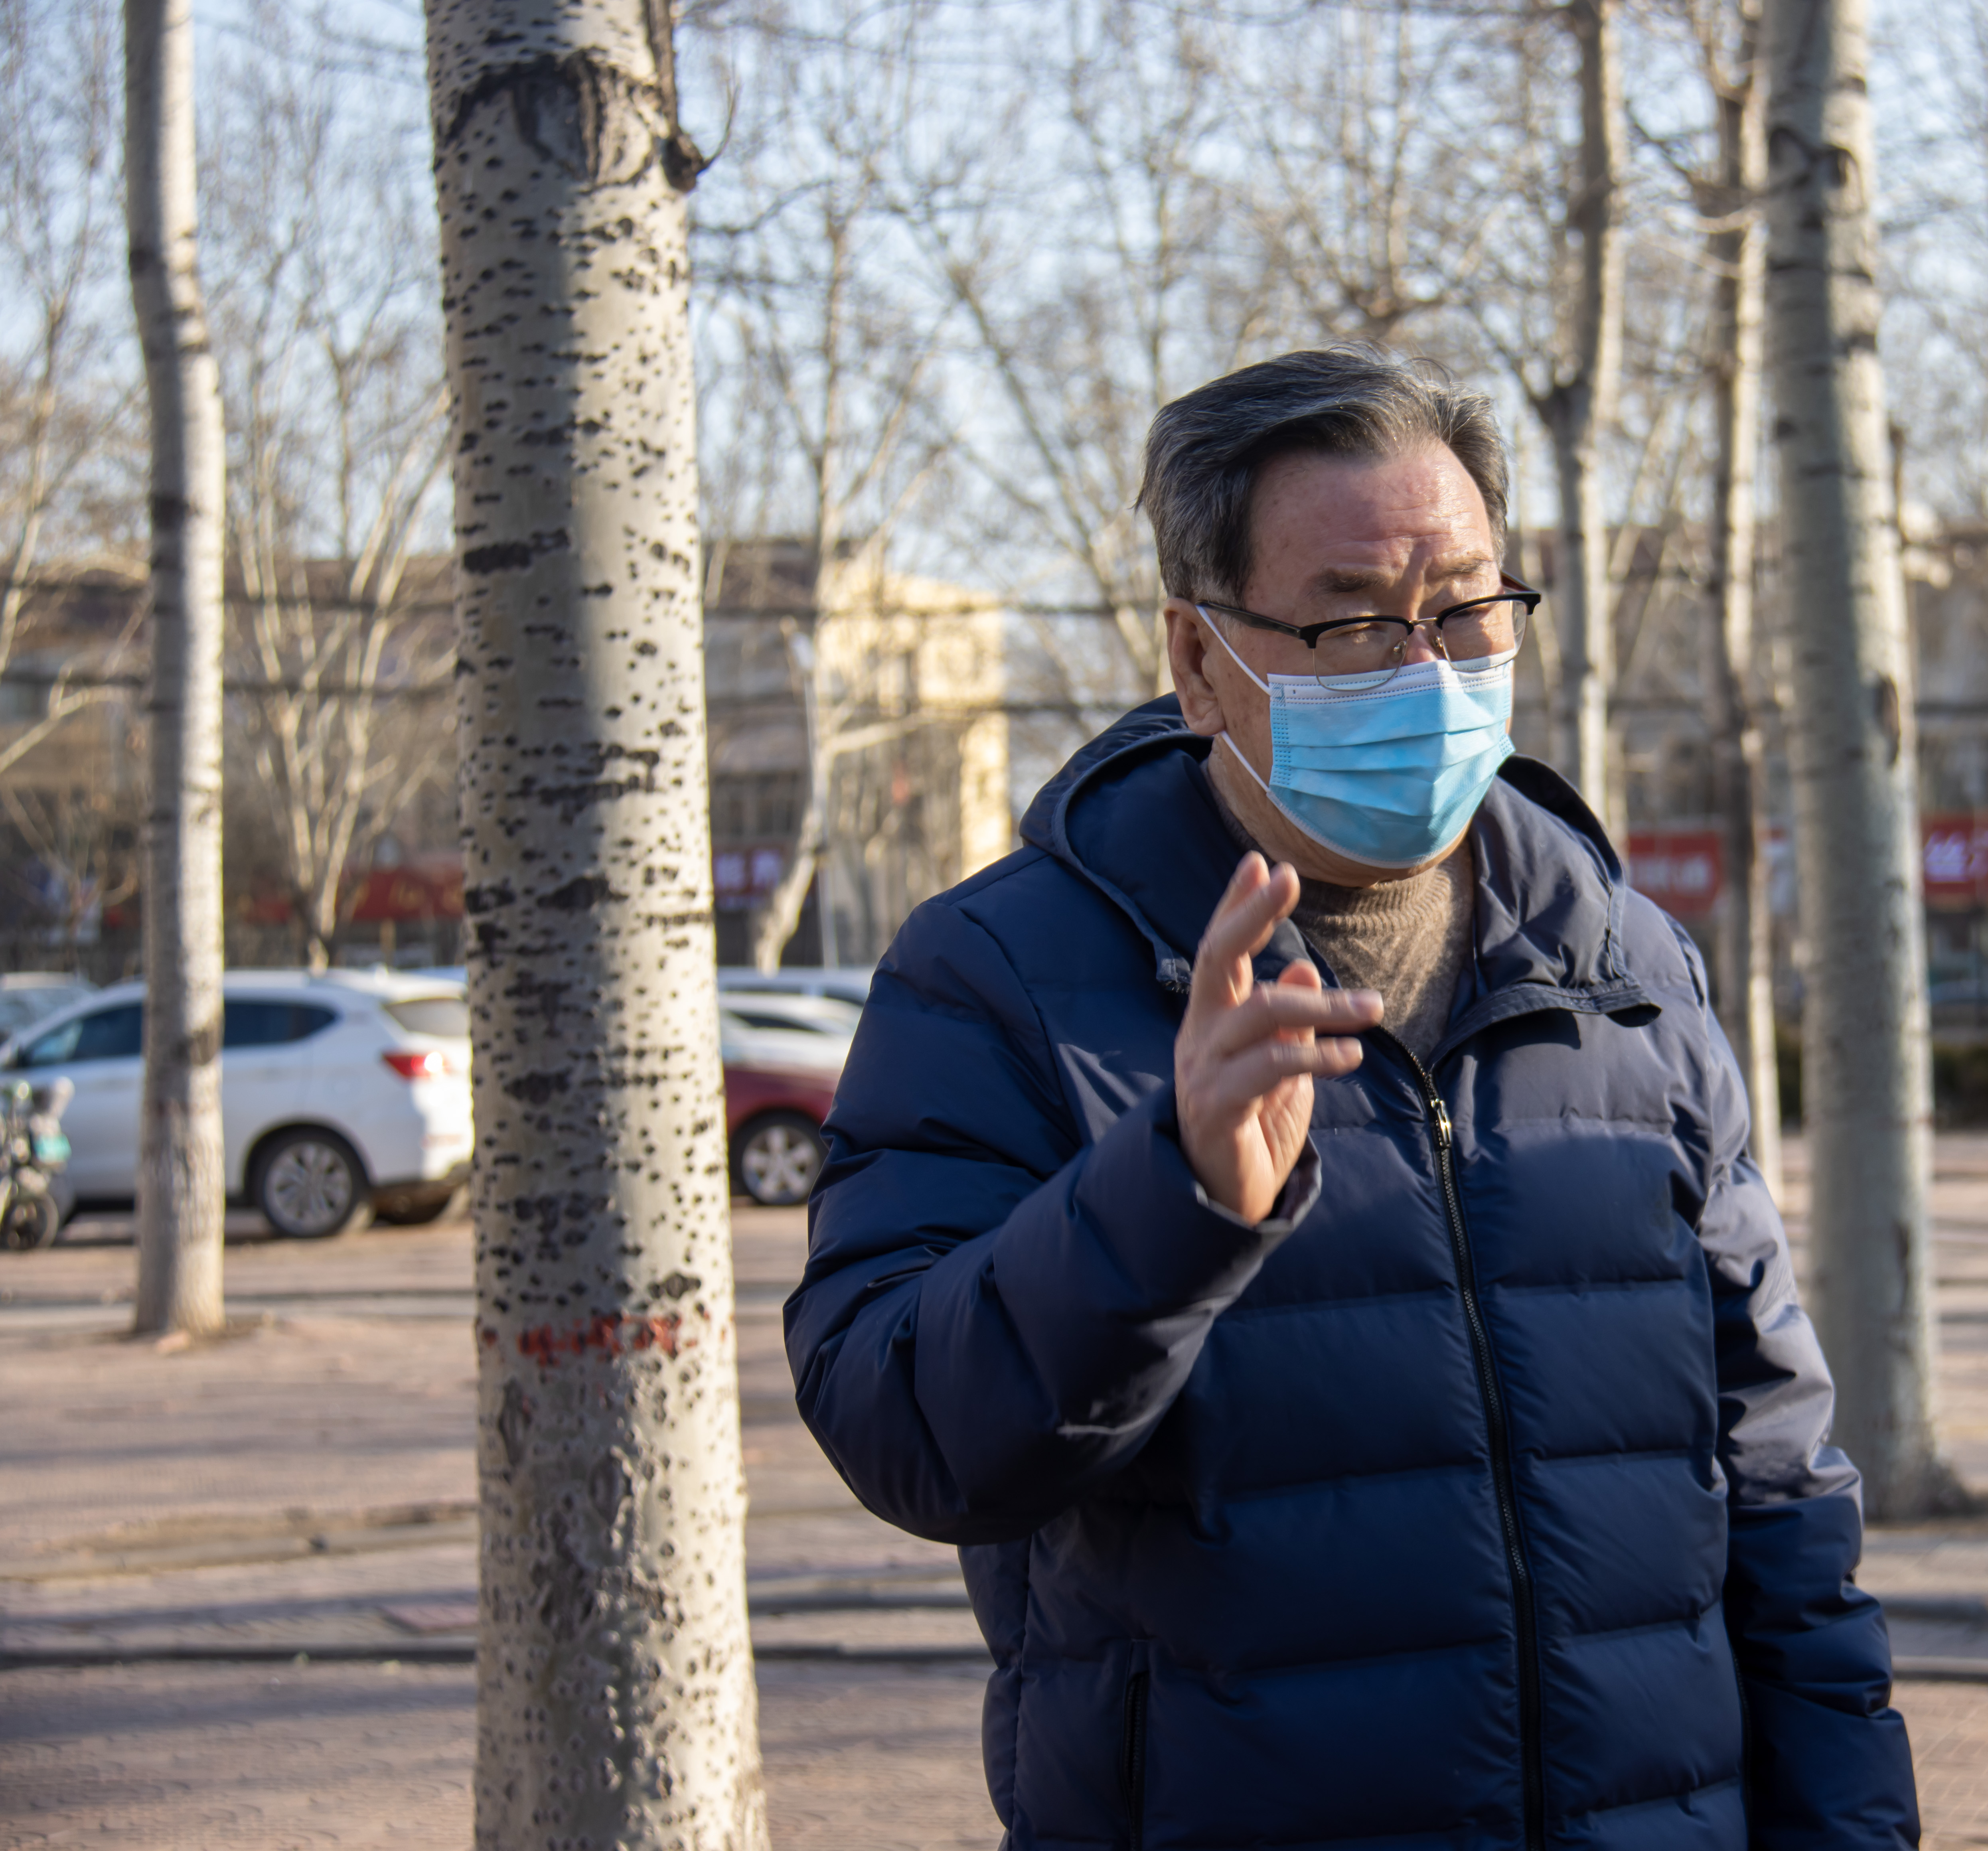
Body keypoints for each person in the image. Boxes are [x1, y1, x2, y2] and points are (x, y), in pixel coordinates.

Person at [786, 348, 1920, 1851]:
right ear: (1200, 659)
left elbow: (1776, 1479)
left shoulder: (1624, 964)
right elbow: (903, 1425)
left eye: (1464, 609)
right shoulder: (1003, 970)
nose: (1426, 670)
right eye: (1351, 622)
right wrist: (1173, 1197)